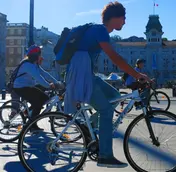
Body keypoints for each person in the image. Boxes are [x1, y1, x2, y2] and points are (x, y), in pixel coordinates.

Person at [64, 1, 151, 168]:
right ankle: (105, 155)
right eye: (123, 18)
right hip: (82, 74)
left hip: (87, 73)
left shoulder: (100, 31)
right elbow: (115, 58)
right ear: (115, 18)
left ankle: (86, 125)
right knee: (105, 110)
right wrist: (137, 74)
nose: (125, 22)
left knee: (115, 96)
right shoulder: (100, 30)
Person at [13, 45, 58, 132]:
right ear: (35, 55)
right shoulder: (28, 65)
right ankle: (32, 125)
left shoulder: (34, 64)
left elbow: (44, 73)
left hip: (27, 86)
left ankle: (27, 111)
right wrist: (49, 85)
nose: (40, 56)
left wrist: (56, 82)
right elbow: (38, 78)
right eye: (39, 54)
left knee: (44, 98)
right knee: (38, 102)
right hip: (21, 87)